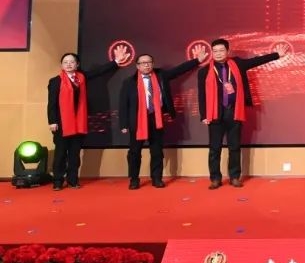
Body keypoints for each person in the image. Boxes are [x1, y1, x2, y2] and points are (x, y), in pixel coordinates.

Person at [197, 38, 288, 189]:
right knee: (214, 149)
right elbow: (201, 95)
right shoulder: (204, 71)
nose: (218, 53)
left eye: (221, 50)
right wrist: (203, 115)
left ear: (227, 51)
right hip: (215, 114)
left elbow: (255, 61)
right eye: (215, 51)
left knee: (234, 147)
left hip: (234, 111)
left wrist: (276, 55)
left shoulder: (237, 64)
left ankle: (234, 177)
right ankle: (215, 178)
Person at [118, 47, 206, 189]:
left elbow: (178, 70)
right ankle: (134, 179)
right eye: (143, 63)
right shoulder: (129, 82)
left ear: (153, 64)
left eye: (149, 62)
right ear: (137, 66)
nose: (146, 65)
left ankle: (156, 178)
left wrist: (197, 60)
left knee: (157, 151)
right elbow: (123, 104)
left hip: (156, 118)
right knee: (134, 152)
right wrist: (123, 124)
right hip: (138, 120)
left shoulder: (161, 75)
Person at [46, 45, 127, 190]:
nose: (69, 64)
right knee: (60, 154)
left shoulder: (82, 78)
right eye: (65, 62)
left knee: (74, 154)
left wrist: (115, 62)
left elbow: (99, 72)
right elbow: (51, 104)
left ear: (77, 64)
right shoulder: (55, 81)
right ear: (62, 65)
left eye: (72, 62)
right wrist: (52, 121)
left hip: (79, 123)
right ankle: (58, 181)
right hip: (62, 124)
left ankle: (72, 180)